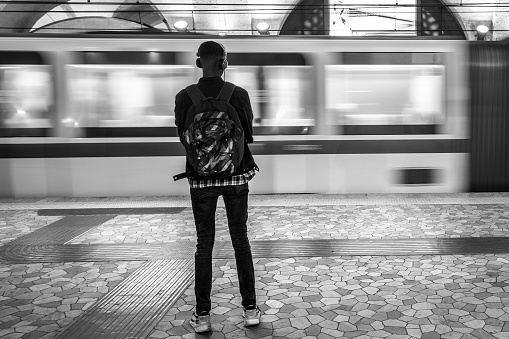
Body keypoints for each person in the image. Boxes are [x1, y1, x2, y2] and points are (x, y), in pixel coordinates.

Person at [174, 40, 261, 333]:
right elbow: (247, 135)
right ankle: (250, 310)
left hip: (200, 180)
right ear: (224, 63)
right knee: (240, 239)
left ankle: (203, 316)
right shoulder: (238, 94)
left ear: (199, 62)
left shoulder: (184, 97)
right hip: (236, 177)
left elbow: (182, 138)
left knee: (204, 245)